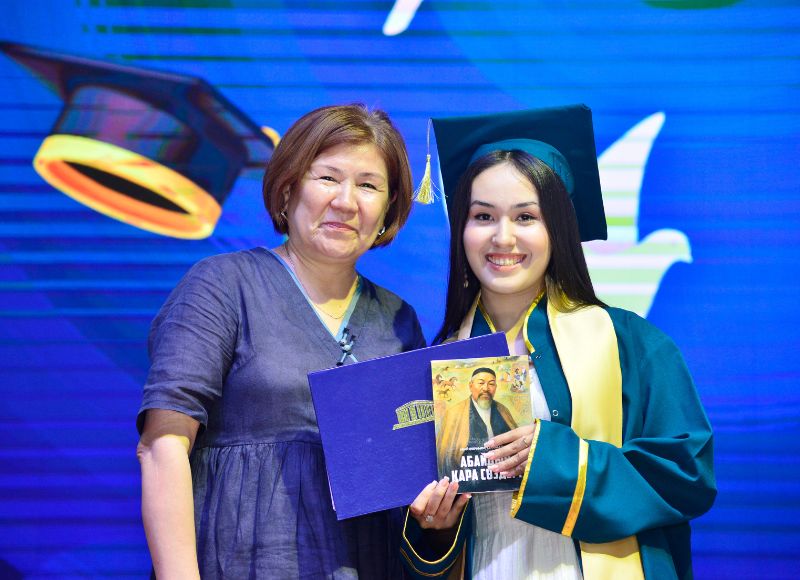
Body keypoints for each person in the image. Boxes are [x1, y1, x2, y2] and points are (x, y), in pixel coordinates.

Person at [400, 105, 716, 579]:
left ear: (558, 229)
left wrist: (554, 461)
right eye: (483, 216)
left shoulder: (629, 343)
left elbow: (688, 475)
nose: (503, 237)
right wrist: (437, 527)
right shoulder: (437, 360)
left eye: (526, 216)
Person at [136, 103, 426, 579]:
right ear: (288, 188)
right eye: (328, 178)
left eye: (368, 185)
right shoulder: (222, 286)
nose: (346, 201)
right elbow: (162, 445)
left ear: (387, 208)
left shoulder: (398, 320)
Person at [437, 367, 517, 479]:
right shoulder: (454, 413)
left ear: (495, 387)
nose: (486, 388)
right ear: (470, 386)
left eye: (491, 384)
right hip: (467, 480)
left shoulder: (503, 410)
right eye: (481, 383)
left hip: (504, 478)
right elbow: (444, 456)